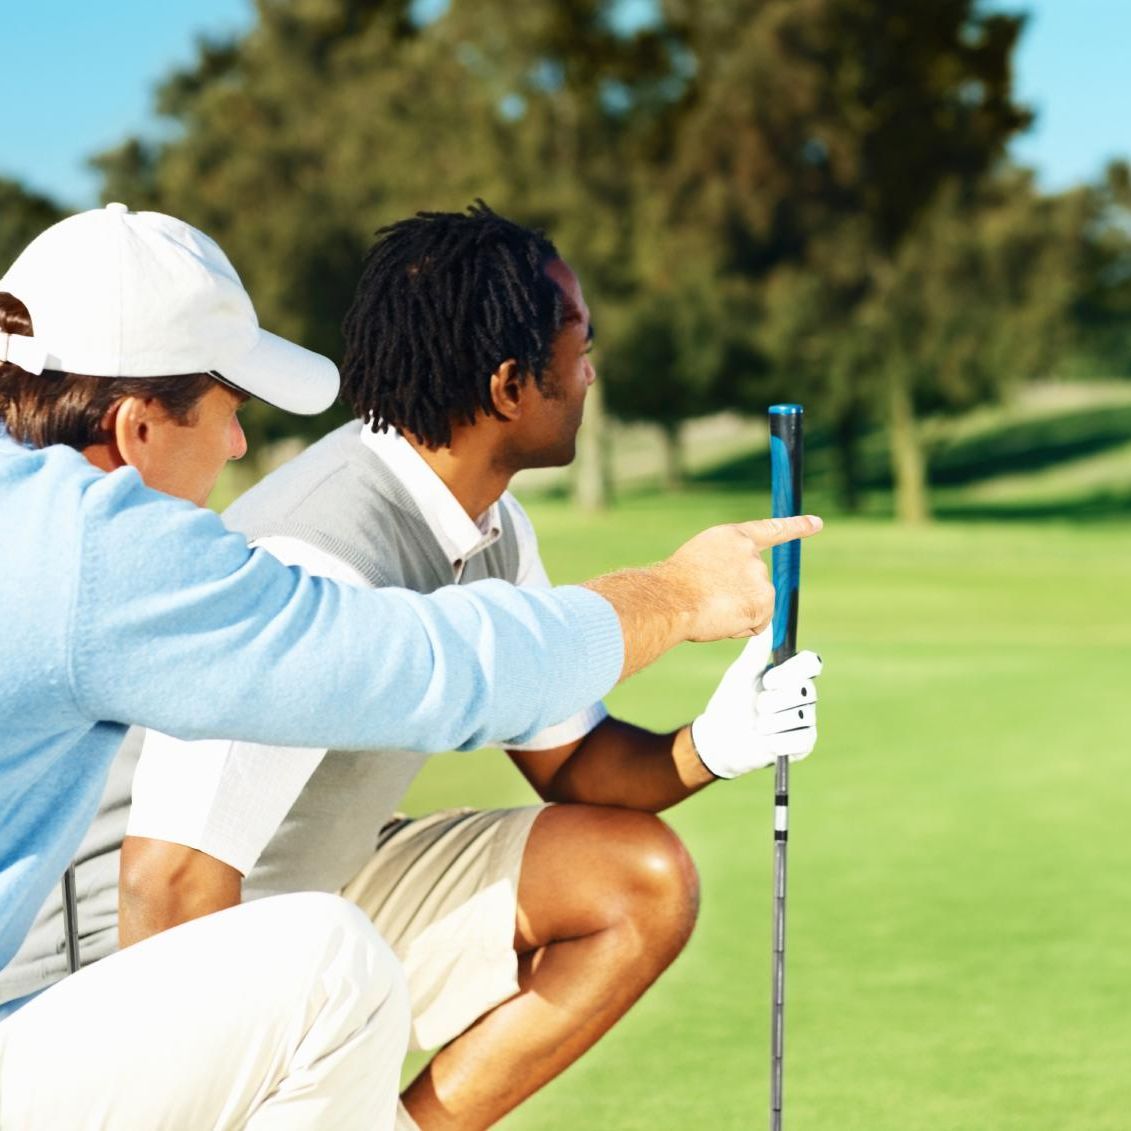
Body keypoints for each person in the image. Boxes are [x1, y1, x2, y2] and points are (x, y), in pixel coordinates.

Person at [0, 203, 822, 1130]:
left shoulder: (489, 525)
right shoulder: (246, 550)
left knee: (622, 878)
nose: (238, 446)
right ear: (138, 428)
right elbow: (171, 879)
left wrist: (713, 742)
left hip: (299, 888)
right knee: (327, 960)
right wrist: (673, 595)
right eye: (231, 409)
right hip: (96, 976)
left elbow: (571, 755)